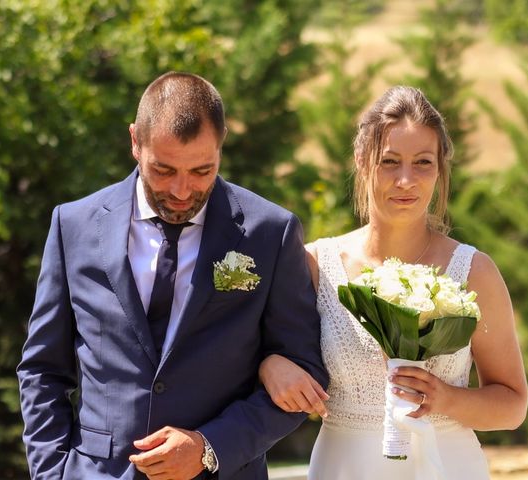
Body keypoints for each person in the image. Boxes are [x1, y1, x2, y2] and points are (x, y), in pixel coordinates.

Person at [17, 71, 327, 480]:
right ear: (134, 142)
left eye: (202, 170)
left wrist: (209, 449)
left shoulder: (270, 232)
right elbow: (42, 370)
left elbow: (304, 373)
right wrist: (50, 473)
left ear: (222, 144)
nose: (182, 190)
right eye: (163, 170)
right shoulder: (72, 225)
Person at [259, 85, 528, 479]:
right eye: (390, 162)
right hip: (344, 466)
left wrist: (445, 398)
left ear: (440, 169)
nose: (406, 180)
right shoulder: (315, 264)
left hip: (446, 466)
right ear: (362, 161)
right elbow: (254, 351)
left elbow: (513, 404)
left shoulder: (474, 271)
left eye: (423, 162)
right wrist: (270, 365)